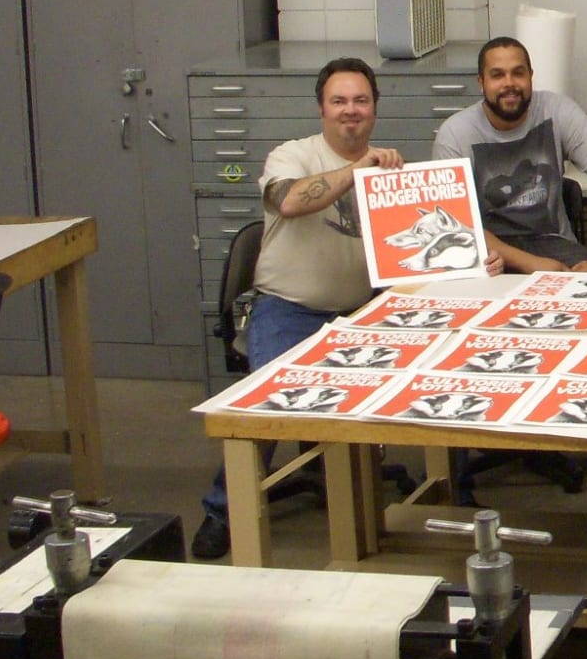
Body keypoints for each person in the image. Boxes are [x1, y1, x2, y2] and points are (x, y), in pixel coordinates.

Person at [191, 59, 499, 560]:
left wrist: (471, 255)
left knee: (445, 371)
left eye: (360, 101)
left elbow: (421, 248)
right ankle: (222, 510)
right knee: (265, 399)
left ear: (375, 109)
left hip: (363, 309)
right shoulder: (291, 156)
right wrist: (357, 170)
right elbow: (288, 201)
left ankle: (454, 493)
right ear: (321, 109)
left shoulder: (393, 171)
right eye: (339, 101)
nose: (350, 111)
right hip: (290, 307)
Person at [433, 36, 587, 272]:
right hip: (489, 253)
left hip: (556, 247)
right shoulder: (455, 134)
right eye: (497, 75)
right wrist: (534, 265)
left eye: (518, 73)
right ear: (481, 82)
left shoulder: (557, 110)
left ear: (530, 76)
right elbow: (454, 223)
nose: (509, 83)